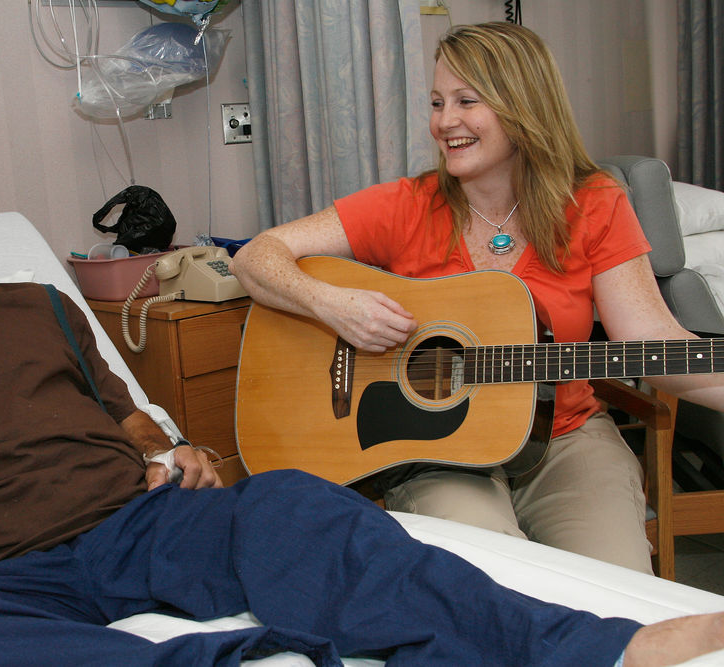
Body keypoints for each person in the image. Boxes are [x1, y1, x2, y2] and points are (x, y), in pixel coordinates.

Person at [0, 141, 724, 667]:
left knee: (296, 501)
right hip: (4, 574)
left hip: (134, 524)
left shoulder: (38, 305)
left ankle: (596, 648)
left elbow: (126, 415)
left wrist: (169, 444)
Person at [230, 21, 724, 577]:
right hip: (435, 454)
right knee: (495, 581)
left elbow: (651, 340)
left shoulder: (593, 203)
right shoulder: (406, 204)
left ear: (523, 106)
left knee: (618, 590)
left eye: (467, 101)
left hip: (564, 440)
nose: (444, 122)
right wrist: (333, 305)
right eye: (438, 102)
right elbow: (255, 256)